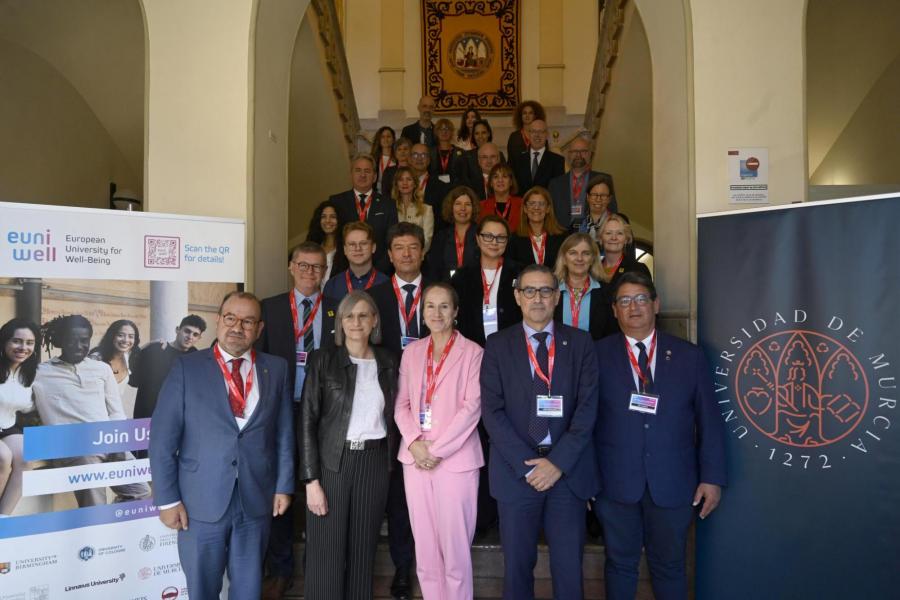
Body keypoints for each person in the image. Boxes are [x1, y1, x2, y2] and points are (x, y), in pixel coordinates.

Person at [150, 291, 294, 600]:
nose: (237, 327)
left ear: (259, 329)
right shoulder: (187, 368)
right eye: (230, 318)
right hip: (200, 502)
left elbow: (283, 432)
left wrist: (284, 485)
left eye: (247, 321)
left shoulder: (276, 369)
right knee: (202, 590)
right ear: (218, 321)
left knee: (248, 590)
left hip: (256, 499)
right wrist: (166, 500)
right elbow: (162, 440)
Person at [594, 271, 726, 600]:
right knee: (619, 564)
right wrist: (588, 480)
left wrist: (712, 478)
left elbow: (709, 420)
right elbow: (585, 422)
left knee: (669, 566)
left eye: (641, 299)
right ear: (614, 310)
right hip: (614, 483)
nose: (633, 307)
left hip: (674, 482)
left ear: (656, 304)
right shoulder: (595, 355)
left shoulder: (689, 356)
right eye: (624, 301)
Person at [480, 264, 599, 600]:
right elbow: (492, 411)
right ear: (517, 297)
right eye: (529, 291)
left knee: (568, 571)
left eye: (545, 291)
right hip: (517, 476)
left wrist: (556, 463)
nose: (537, 298)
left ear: (556, 297)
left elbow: (587, 410)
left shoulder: (580, 343)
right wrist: (528, 465)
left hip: (567, 475)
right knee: (517, 571)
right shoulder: (497, 345)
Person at [300, 290, 399, 600]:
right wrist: (311, 480)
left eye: (363, 315)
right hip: (333, 464)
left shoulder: (390, 361)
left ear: (374, 321)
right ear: (340, 322)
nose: (356, 322)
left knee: (362, 551)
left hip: (375, 462)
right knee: (325, 553)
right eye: (349, 316)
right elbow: (306, 421)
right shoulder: (323, 359)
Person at [257, 241, 337, 598]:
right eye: (303, 265)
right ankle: (281, 568)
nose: (310, 272)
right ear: (291, 267)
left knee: (323, 486)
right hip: (281, 408)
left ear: (325, 271)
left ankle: (321, 565)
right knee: (282, 486)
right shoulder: (270, 308)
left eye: (317, 267)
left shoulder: (337, 308)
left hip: (324, 411)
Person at [394, 283, 484, 600]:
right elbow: (401, 404)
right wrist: (416, 444)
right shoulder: (412, 352)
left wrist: (437, 449)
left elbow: (472, 407)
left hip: (455, 460)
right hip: (415, 458)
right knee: (426, 546)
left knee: (455, 549)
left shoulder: (473, 352)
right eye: (430, 306)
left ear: (456, 312)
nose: (436, 313)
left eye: (444, 306)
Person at [368, 222, 429, 599]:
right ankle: (403, 566)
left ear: (422, 252)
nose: (406, 254)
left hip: (434, 402)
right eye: (399, 248)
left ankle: (432, 560)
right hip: (386, 404)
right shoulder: (373, 296)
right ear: (388, 255)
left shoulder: (441, 293)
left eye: (413, 247)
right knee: (398, 492)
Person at [33, 315, 151, 507]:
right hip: (75, 445)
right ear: (61, 340)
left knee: (141, 492)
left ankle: (109, 526)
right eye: (72, 340)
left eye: (84, 340)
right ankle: (97, 533)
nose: (79, 346)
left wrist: (118, 440)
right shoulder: (39, 373)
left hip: (108, 440)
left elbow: (115, 411)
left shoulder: (101, 369)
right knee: (95, 505)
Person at [451, 216, 522, 346]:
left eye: (500, 238)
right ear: (478, 239)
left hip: (512, 347)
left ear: (507, 241)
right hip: (471, 349)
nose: (494, 242)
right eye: (488, 236)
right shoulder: (461, 277)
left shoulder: (520, 273)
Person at [330, 154, 399, 271]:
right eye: (358, 170)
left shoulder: (388, 204)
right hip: (345, 270)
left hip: (379, 272)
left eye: (367, 171)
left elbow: (392, 240)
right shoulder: (336, 202)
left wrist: (378, 271)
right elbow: (333, 239)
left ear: (375, 177)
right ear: (351, 174)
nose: (362, 175)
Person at [131, 314, 206, 421]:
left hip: (176, 419)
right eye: (187, 331)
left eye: (195, 334)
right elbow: (133, 381)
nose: (190, 337)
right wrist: (144, 348)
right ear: (177, 330)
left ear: (199, 338)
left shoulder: (196, 358)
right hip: (148, 416)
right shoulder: (157, 349)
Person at [0, 318, 39, 516]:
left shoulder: (29, 374)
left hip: (6, 426)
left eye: (29, 343)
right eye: (16, 341)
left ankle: (3, 518)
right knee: (3, 456)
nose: (23, 347)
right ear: (4, 342)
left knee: (26, 455)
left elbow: (26, 408)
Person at [553, 233, 618, 340]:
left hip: (596, 354)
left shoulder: (608, 292)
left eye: (586, 253)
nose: (579, 258)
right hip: (558, 355)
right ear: (564, 258)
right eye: (573, 253)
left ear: (592, 259)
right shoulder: (550, 291)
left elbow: (612, 334)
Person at [548, 134, 617, 230]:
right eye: (574, 151)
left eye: (583, 151)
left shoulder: (604, 179)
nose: (578, 155)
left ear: (590, 154)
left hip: (594, 237)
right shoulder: (555, 184)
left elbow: (613, 212)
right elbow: (550, 216)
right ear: (568, 155)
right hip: (562, 238)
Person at [322, 221, 389, 303]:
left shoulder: (387, 284)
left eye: (363, 243)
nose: (358, 248)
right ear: (345, 250)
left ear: (373, 247)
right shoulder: (332, 286)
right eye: (352, 244)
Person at [426, 186, 480, 281]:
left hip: (475, 287)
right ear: (451, 207)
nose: (463, 208)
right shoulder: (440, 237)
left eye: (467, 204)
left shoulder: (481, 235)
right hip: (446, 288)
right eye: (458, 204)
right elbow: (434, 270)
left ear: (473, 208)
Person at [89, 319, 140, 418]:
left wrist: (154, 343)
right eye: (120, 335)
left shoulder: (127, 356)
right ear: (112, 336)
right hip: (94, 417)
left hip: (115, 416)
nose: (126, 340)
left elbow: (140, 349)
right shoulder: (96, 358)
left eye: (131, 336)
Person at [508, 186, 566, 268]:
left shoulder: (562, 238)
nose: (536, 207)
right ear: (525, 208)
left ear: (548, 209)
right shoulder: (513, 239)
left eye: (541, 204)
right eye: (532, 203)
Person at [510, 119, 565, 194]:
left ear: (547, 135)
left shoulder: (557, 161)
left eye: (541, 132)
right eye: (534, 131)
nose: (537, 135)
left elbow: (558, 190)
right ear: (529, 135)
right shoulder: (518, 160)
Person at [599, 213, 651, 290]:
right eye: (608, 233)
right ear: (601, 238)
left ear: (626, 239)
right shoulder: (591, 270)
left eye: (619, 233)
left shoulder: (638, 269)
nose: (613, 238)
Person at [392, 165, 435, 252]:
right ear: (396, 184)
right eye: (401, 180)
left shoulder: (426, 210)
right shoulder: (389, 208)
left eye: (409, 179)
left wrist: (411, 255)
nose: (405, 183)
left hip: (418, 259)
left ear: (415, 183)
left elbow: (426, 241)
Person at [409, 143, 450, 230]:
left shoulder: (441, 187)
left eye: (424, 155)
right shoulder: (401, 184)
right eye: (415, 155)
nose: (419, 158)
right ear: (409, 159)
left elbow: (443, 218)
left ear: (429, 160)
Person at [305, 200, 342, 282]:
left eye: (333, 217)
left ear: (339, 220)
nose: (328, 220)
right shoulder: (311, 246)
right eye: (323, 216)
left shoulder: (345, 249)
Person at [480, 163, 523, 232]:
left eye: (504, 176)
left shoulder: (522, 204)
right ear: (491, 183)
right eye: (496, 177)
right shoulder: (481, 206)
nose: (500, 180)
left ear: (511, 182)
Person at [579, 173, 618, 244]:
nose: (598, 199)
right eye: (594, 195)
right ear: (588, 197)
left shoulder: (619, 223)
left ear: (609, 199)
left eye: (603, 195)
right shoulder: (576, 224)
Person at [430, 118, 466, 184]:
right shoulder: (430, 153)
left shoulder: (461, 153)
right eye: (441, 129)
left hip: (455, 189)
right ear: (436, 132)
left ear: (452, 132)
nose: (444, 132)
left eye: (447, 129)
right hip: (434, 188)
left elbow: (464, 175)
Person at [371, 125, 397, 195]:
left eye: (388, 136)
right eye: (382, 137)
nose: (386, 139)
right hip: (377, 195)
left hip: (393, 195)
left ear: (393, 139)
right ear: (379, 140)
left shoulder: (398, 159)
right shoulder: (373, 159)